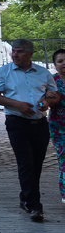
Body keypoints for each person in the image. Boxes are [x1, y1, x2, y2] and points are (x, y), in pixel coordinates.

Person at [0, 39, 60, 222]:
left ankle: (26, 196)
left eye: (19, 52)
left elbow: (53, 95)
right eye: (13, 51)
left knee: (36, 164)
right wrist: (17, 105)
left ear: (29, 53)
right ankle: (35, 205)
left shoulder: (43, 73)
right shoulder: (4, 72)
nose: (14, 55)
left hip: (39, 123)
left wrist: (48, 102)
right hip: (16, 122)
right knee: (26, 162)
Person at [49, 49, 65, 207]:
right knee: (64, 161)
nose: (64, 63)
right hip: (59, 128)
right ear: (55, 65)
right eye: (60, 61)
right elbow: (42, 102)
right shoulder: (51, 81)